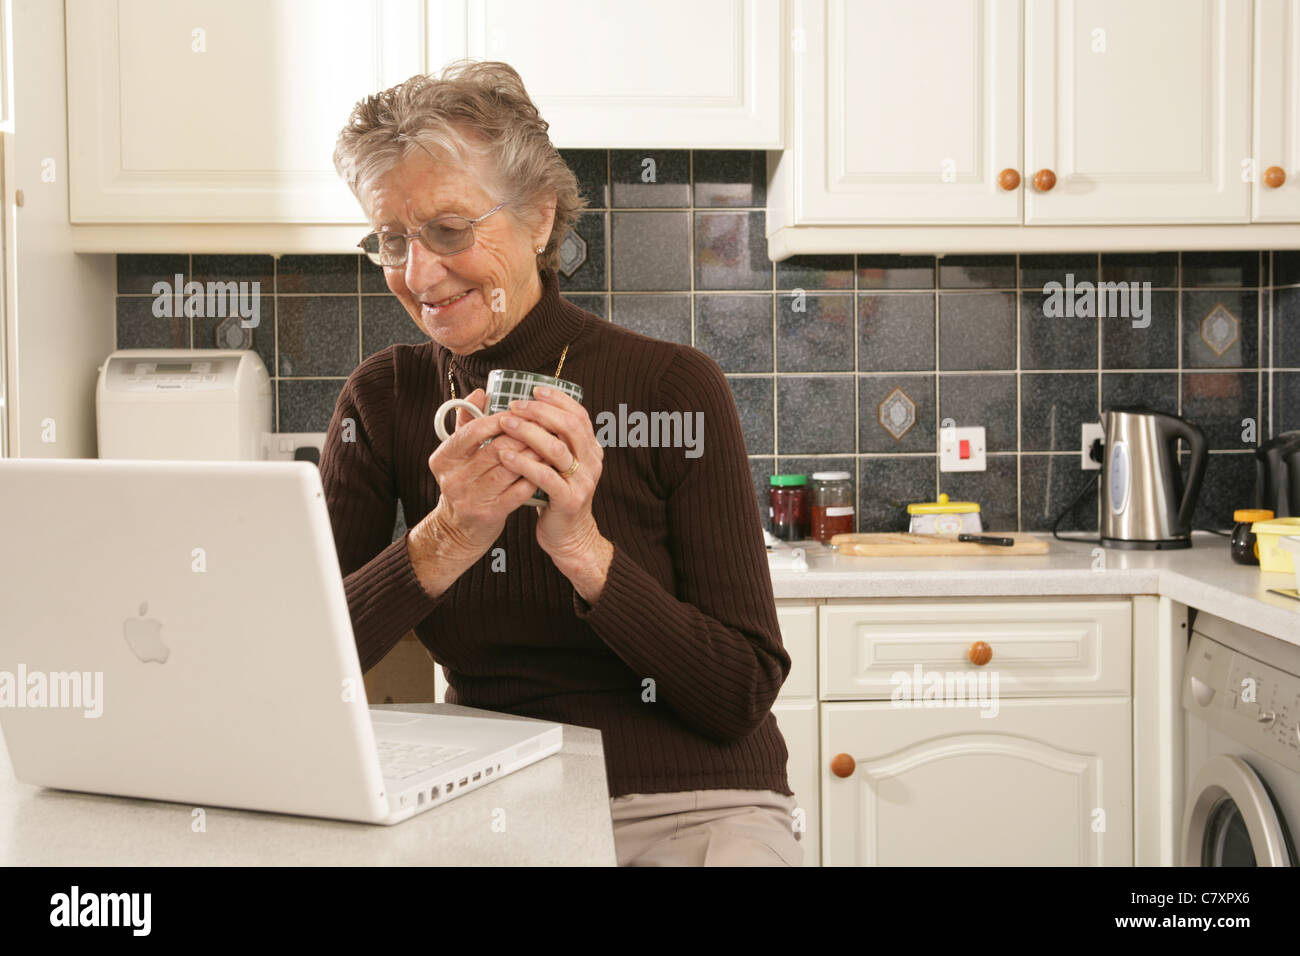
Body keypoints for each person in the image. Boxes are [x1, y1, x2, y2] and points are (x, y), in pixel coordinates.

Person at [324, 60, 800, 866]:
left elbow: (740, 693)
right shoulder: (384, 399)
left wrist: (583, 550)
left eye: (448, 230)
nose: (419, 273)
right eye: (393, 240)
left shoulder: (672, 386)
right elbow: (305, 665)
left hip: (695, 802)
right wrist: (446, 539)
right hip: (493, 795)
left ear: (540, 219)